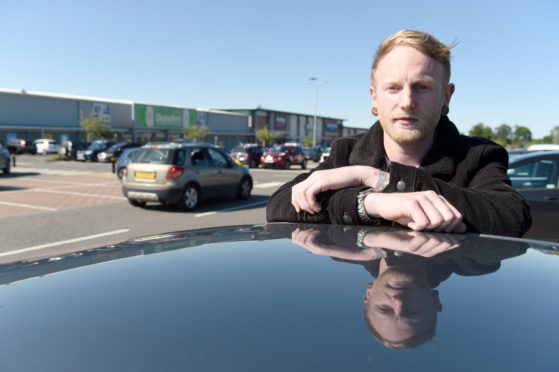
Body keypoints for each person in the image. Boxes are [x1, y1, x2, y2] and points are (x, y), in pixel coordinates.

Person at [267, 30, 531, 237]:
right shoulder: (346, 152)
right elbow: (280, 205)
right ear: (374, 97)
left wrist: (376, 178)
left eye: (422, 87)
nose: (406, 102)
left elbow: (512, 216)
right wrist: (370, 202)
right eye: (393, 88)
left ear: (445, 96)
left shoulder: (478, 156)